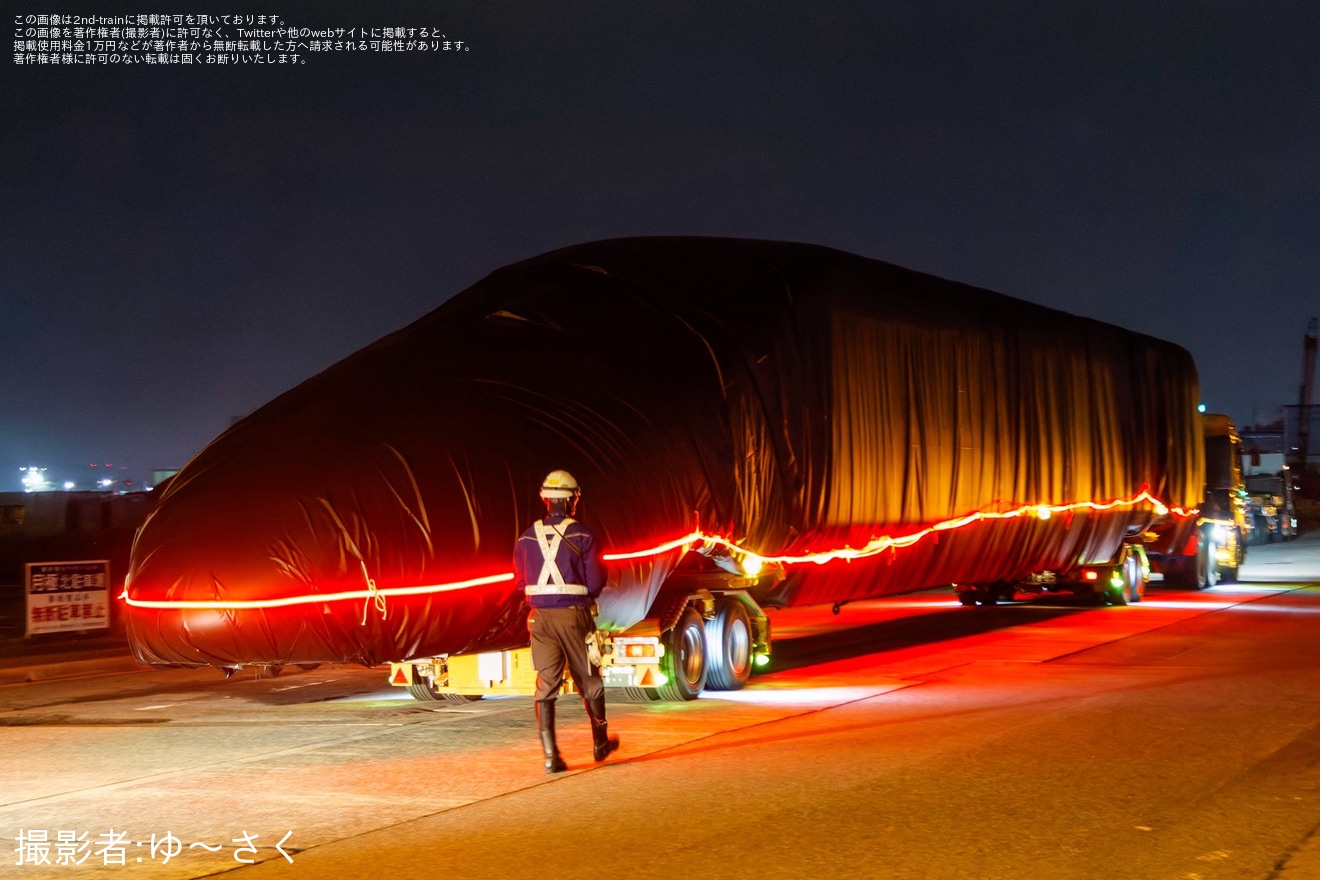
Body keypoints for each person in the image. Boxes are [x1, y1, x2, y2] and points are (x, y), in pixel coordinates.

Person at [512, 469, 619, 773]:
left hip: (539, 620)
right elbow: (596, 580)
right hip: (574, 617)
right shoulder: (584, 535)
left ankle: (550, 756)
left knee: (545, 687)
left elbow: (520, 582)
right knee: (591, 681)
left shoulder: (525, 536)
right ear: (572, 501)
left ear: (545, 499)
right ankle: (600, 744)